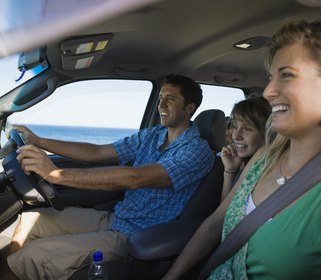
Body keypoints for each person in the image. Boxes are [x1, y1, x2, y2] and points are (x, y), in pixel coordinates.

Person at [162, 18, 321, 280]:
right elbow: (217, 222)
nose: (268, 91)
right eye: (271, 78)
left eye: (287, 75)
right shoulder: (266, 156)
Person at [3, 74, 215, 279]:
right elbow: (98, 152)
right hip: (116, 218)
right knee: (32, 221)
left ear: (190, 108)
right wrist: (41, 142)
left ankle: (15, 269)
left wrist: (56, 175)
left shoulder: (197, 151)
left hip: (135, 236)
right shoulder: (153, 135)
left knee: (31, 256)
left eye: (171, 99)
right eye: (161, 98)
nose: (162, 104)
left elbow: (135, 178)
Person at [221, 97, 271, 201]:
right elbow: (226, 212)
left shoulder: (267, 171)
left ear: (268, 133)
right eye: (235, 126)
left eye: (248, 129)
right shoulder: (243, 163)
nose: (236, 136)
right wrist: (230, 171)